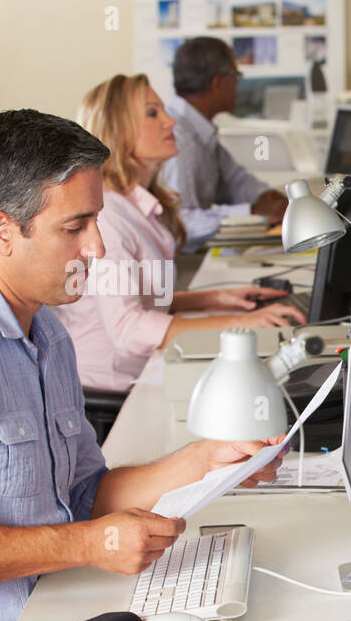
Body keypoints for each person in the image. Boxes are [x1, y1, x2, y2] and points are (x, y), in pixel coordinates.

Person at [0, 110, 283, 621]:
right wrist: (88, 545)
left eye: (97, 221)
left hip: (46, 603)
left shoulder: (47, 330)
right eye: (75, 226)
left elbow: (83, 494)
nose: (97, 247)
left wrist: (202, 460)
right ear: (1, 230)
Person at [55, 74, 303, 393]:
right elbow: (128, 329)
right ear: (118, 130)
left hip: (143, 368)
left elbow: (142, 297)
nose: (170, 121)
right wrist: (242, 324)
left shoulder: (137, 204)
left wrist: (216, 299)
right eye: (152, 113)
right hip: (114, 389)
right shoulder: (108, 216)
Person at [160, 37, 288, 250]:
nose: (238, 85)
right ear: (218, 82)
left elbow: (234, 181)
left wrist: (269, 198)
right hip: (179, 263)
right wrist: (251, 212)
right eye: (236, 76)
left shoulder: (199, 130)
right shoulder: (180, 140)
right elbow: (180, 222)